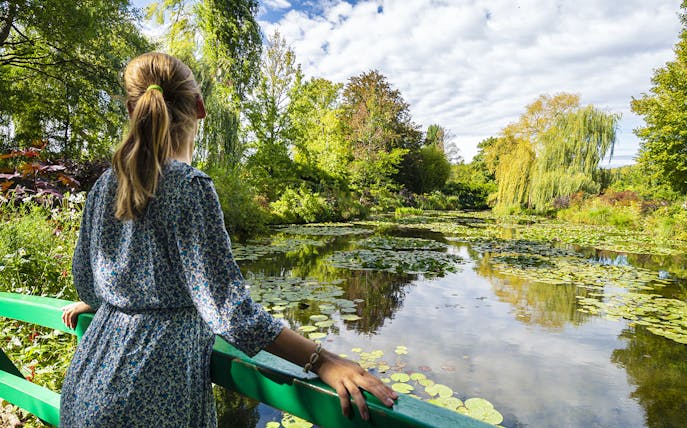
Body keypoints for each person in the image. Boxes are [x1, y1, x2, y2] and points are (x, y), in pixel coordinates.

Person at [59, 52, 397, 427]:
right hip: (150, 391)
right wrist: (325, 361)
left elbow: (88, 283)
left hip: (86, 384)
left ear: (130, 109)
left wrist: (115, 303)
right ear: (200, 108)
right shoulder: (190, 188)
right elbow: (229, 312)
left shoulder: (104, 185)